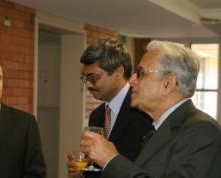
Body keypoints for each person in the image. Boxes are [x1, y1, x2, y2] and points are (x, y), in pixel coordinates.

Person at [80, 40, 221, 178]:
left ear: (168, 83)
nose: (132, 80)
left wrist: (111, 160)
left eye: (141, 73)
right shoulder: (157, 128)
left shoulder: (202, 131)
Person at [67, 38, 152, 177]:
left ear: (118, 72)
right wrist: (83, 170)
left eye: (93, 78)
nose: (87, 85)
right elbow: (98, 166)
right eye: (85, 78)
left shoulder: (144, 111)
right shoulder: (97, 115)